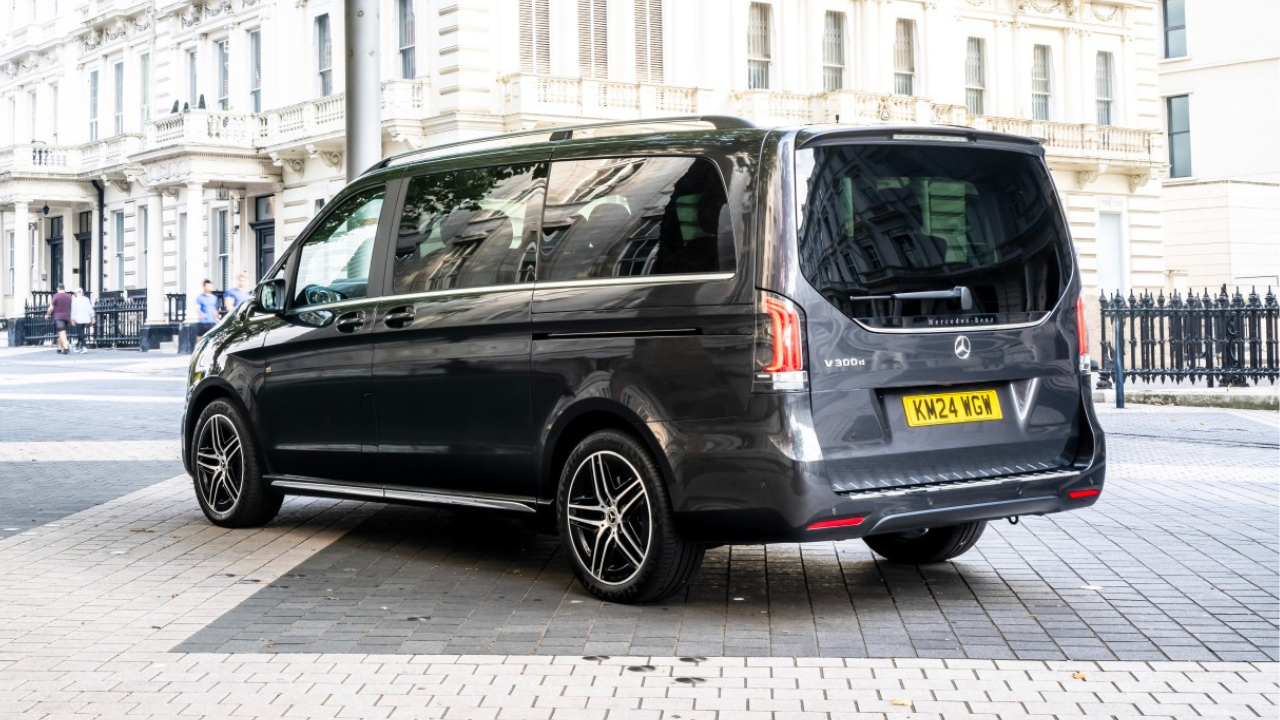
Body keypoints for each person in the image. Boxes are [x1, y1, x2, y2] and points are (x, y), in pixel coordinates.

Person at [44, 283, 73, 355]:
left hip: (59, 316)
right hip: (67, 316)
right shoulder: (69, 296)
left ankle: (66, 348)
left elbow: (51, 307)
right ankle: (59, 348)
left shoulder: (56, 296)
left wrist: (47, 314)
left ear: (58, 289)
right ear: (64, 288)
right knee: (62, 332)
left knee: (62, 332)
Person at [70, 288, 95, 354]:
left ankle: (84, 347)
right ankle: (78, 346)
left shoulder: (75, 300)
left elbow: (73, 310)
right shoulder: (86, 299)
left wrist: (72, 319)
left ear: (76, 293)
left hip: (78, 318)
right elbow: (90, 308)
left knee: (80, 333)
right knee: (80, 332)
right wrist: (92, 317)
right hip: (86, 317)